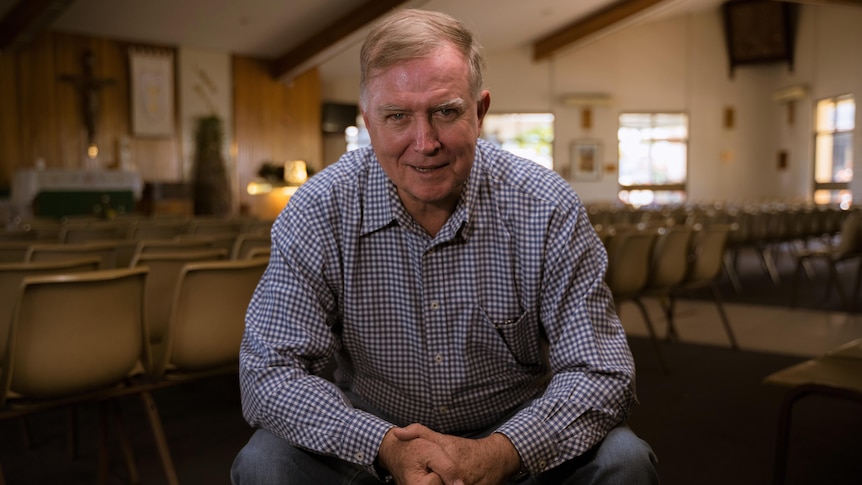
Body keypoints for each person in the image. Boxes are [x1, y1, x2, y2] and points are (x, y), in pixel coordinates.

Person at [231, 8, 658, 485]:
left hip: (512, 433)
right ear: (369, 124)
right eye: (397, 116)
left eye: (446, 111)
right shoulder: (317, 211)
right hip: (372, 436)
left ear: (480, 112)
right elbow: (269, 372)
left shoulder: (545, 207)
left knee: (625, 459)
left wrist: (501, 452)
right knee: (263, 462)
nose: (425, 142)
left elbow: (602, 371)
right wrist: (383, 446)